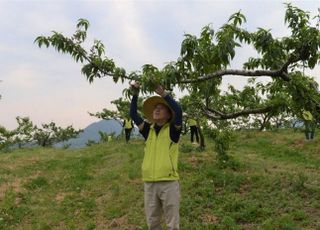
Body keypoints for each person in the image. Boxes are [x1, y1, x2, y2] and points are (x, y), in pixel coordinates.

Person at [129, 81, 182, 230]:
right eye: (155, 108)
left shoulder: (173, 130)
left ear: (168, 114)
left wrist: (164, 94)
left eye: (161, 108)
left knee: (172, 224)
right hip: (150, 183)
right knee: (153, 223)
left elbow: (179, 111)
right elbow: (133, 114)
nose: (157, 110)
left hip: (168, 182)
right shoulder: (148, 130)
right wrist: (135, 93)